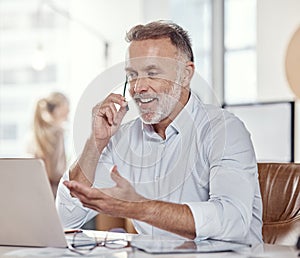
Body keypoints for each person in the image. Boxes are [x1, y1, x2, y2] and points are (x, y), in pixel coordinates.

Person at [56, 21, 263, 244]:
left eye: (152, 73)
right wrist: (95, 143)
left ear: (185, 75)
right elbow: (66, 219)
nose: (138, 87)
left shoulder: (224, 130)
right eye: (132, 75)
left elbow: (231, 221)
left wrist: (138, 207)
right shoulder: (122, 138)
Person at [30, 92, 69, 198]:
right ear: (57, 109)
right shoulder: (57, 132)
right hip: (53, 195)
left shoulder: (37, 132)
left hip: (38, 193)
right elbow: (55, 173)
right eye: (66, 107)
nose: (69, 112)